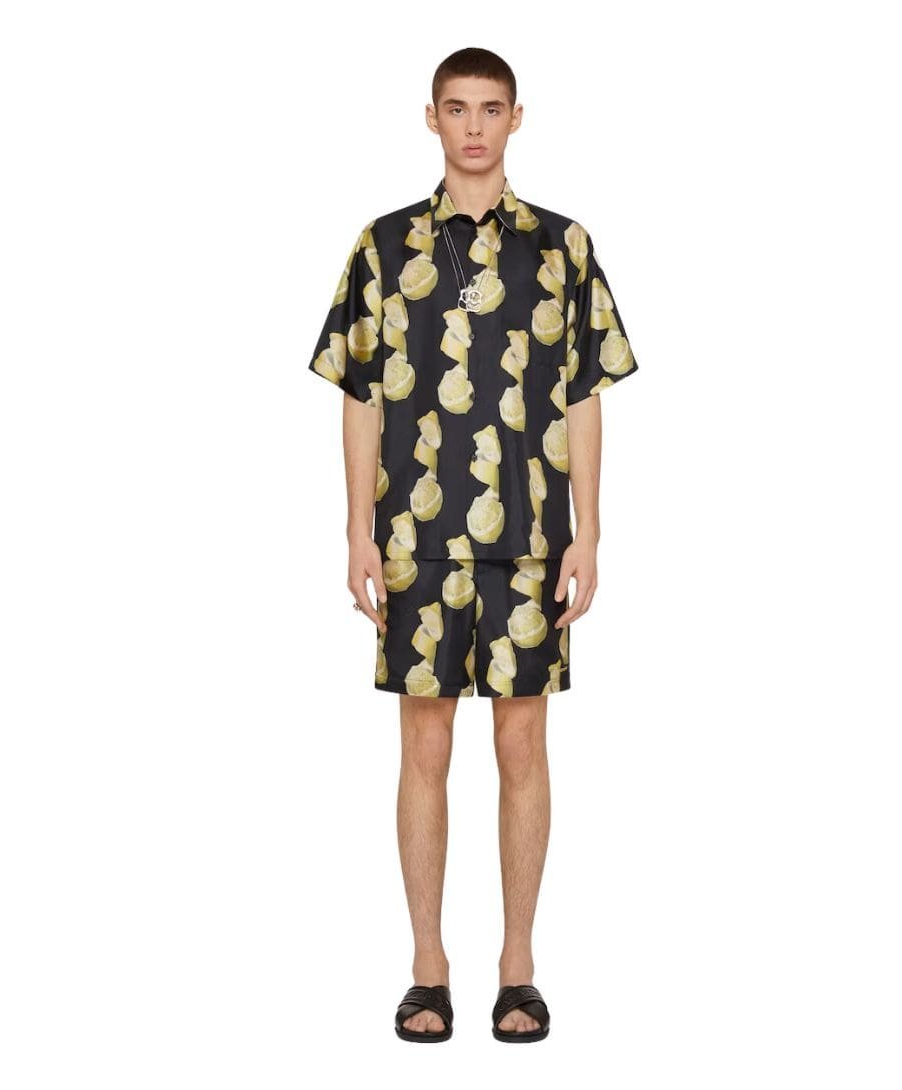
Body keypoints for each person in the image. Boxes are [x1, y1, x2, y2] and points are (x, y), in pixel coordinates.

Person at [307, 47, 640, 1043]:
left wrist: (588, 530)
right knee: (424, 745)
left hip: (530, 539)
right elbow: (359, 393)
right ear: (431, 118)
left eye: (491, 109)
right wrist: (358, 530)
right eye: (457, 109)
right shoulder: (383, 245)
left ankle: (518, 967)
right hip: (414, 538)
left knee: (523, 743)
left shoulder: (563, 246)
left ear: (516, 118)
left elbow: (584, 394)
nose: (474, 127)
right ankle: (427, 968)